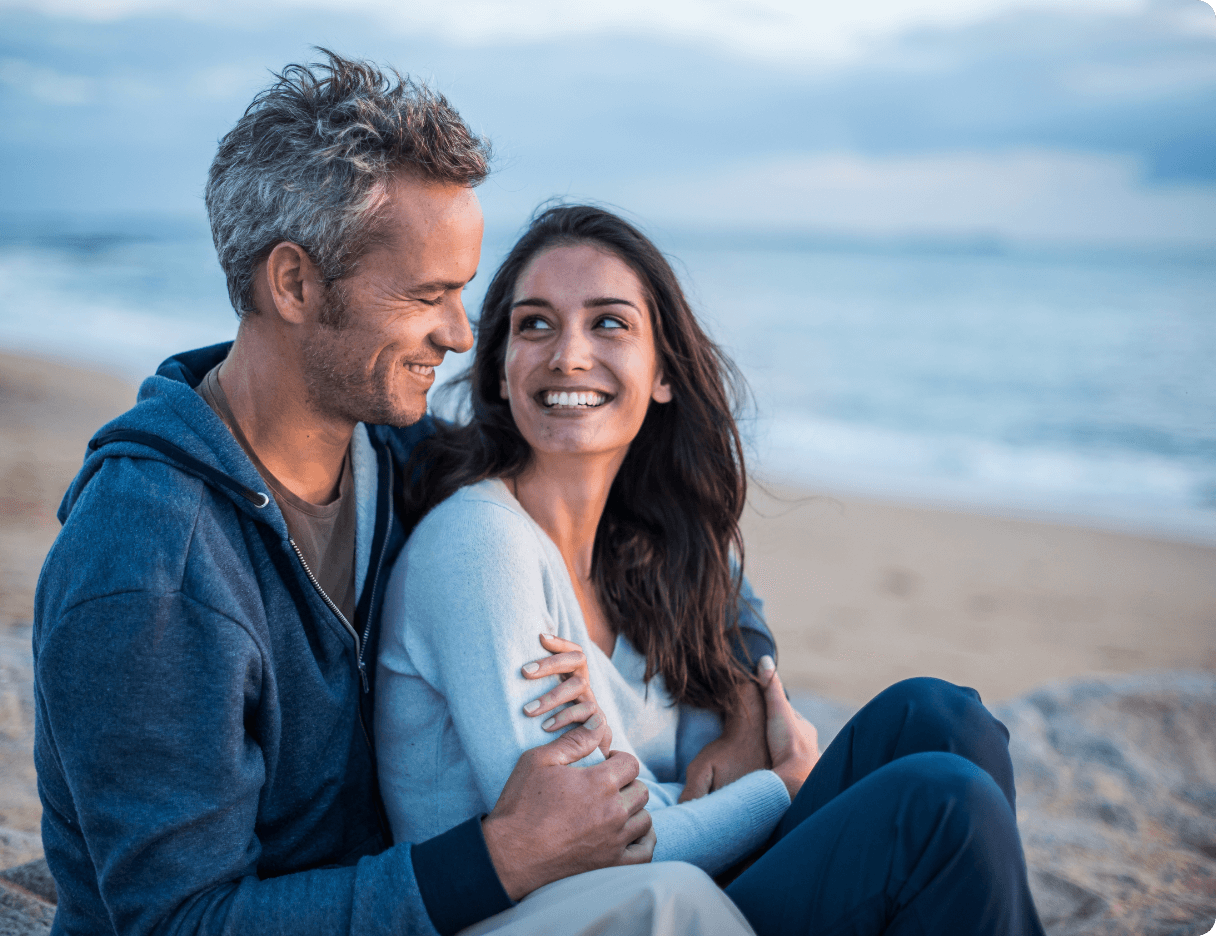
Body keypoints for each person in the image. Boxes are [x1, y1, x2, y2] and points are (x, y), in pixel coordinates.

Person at [32, 52, 760, 936]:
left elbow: (634, 498)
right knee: (672, 905)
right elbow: (181, 922)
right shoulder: (151, 564)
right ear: (295, 283)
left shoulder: (394, 451)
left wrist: (743, 689)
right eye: (430, 294)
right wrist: (497, 858)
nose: (460, 334)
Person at [376, 204, 1049, 934]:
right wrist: (775, 788)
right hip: (567, 913)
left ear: (663, 372)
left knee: (943, 717)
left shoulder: (651, 549)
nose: (568, 354)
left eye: (608, 323)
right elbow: (593, 845)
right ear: (502, 373)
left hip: (680, 880)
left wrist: (739, 712)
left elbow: (668, 780)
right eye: (534, 324)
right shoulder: (481, 548)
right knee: (941, 805)